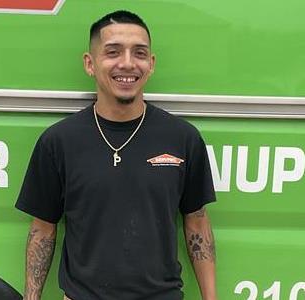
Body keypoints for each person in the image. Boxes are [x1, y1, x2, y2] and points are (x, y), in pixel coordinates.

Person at [16, 10, 217, 300]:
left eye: (139, 53)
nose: (127, 63)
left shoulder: (183, 138)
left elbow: (197, 221)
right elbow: (43, 230)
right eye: (112, 52)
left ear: (151, 64)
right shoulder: (58, 142)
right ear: (90, 63)